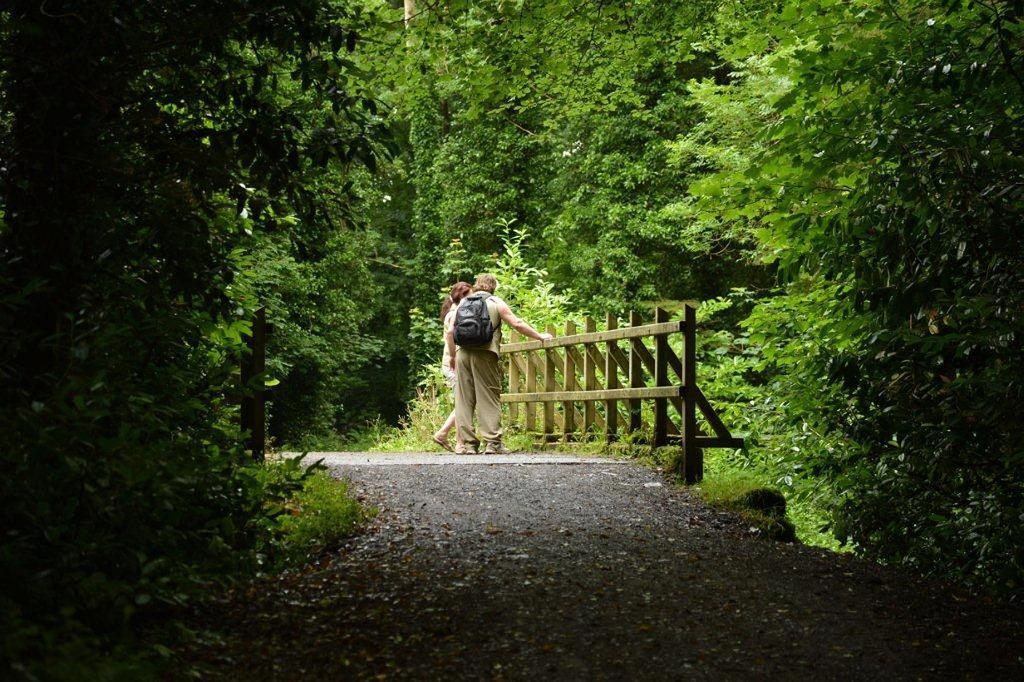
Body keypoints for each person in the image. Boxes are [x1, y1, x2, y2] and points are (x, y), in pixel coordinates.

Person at [445, 273, 552, 454]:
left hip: (463, 354)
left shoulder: (463, 303)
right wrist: (540, 336)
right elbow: (516, 323)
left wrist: (453, 356)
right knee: (488, 396)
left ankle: (468, 444)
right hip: (485, 354)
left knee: (463, 399)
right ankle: (492, 443)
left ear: (477, 285)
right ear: (493, 286)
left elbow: (450, 332)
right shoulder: (495, 302)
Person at [433, 282, 472, 451]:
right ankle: (459, 443)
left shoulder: (452, 312)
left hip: (451, 362)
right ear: (462, 296)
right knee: (462, 402)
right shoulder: (455, 313)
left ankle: (443, 434)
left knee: (463, 402)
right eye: (469, 295)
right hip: (452, 363)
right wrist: (454, 357)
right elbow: (450, 335)